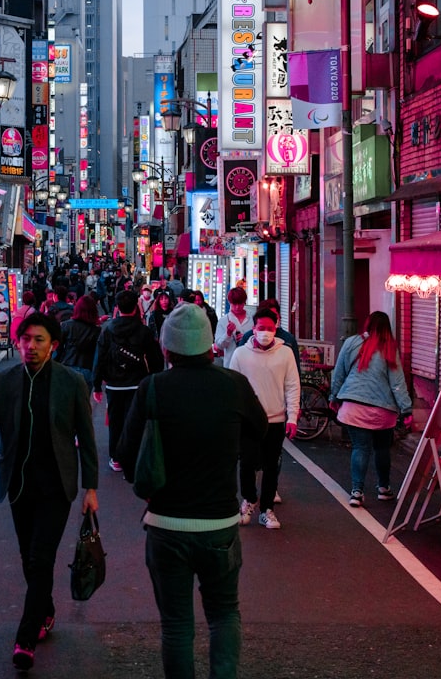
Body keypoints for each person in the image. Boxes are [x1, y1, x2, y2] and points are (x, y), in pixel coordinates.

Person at [117, 303, 268, 679]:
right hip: (219, 521)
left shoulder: (153, 388)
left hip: (167, 524)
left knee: (177, 625)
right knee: (223, 615)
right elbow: (260, 430)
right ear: (208, 347)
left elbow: (124, 453)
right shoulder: (232, 386)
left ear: (167, 349)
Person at [0, 313, 99, 672]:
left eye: (39, 341)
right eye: (25, 340)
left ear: (53, 345)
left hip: (57, 487)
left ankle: (26, 638)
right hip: (18, 484)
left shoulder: (71, 382)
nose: (30, 347)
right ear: (17, 343)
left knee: (40, 558)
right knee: (27, 557)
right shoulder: (5, 383)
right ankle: (45, 611)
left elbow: (87, 438)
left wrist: (90, 487)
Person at [329, 311, 413, 507]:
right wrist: (407, 409)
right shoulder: (389, 348)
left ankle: (357, 492)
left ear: (367, 324)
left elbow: (339, 372)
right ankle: (383, 488)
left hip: (353, 406)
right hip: (383, 410)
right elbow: (397, 383)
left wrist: (334, 397)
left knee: (360, 448)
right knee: (382, 448)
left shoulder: (351, 343)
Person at [228, 307, 300, 530]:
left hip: (276, 419)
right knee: (247, 463)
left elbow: (292, 386)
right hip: (248, 422)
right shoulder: (240, 354)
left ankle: (267, 509)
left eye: (270, 328)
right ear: (254, 329)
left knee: (271, 465)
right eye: (261, 328)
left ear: (276, 328)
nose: (266, 332)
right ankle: (249, 499)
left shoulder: (285, 353)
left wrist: (293, 417)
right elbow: (232, 388)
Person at [92, 290, 163, 472]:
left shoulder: (108, 330)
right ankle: (133, 455)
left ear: (117, 307)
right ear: (135, 307)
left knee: (115, 421)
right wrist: (154, 378)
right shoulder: (143, 331)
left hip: (114, 383)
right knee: (136, 421)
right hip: (138, 382)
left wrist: (97, 384)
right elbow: (155, 358)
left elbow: (99, 357)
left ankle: (116, 458)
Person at [56, 295, 101, 390]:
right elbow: (98, 355)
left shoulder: (66, 325)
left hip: (67, 365)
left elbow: (58, 349)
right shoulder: (96, 330)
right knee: (82, 402)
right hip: (86, 369)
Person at [240, 298, 300, 369]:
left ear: (279, 316)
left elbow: (295, 369)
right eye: (267, 316)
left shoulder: (288, 339)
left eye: (274, 316)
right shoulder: (248, 338)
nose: (270, 319)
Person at [214, 287, 254, 367]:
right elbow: (219, 346)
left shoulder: (253, 317)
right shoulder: (223, 321)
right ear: (229, 302)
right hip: (231, 363)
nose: (237, 307)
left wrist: (247, 337)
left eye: (240, 303)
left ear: (244, 302)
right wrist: (228, 334)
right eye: (234, 304)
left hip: (251, 362)